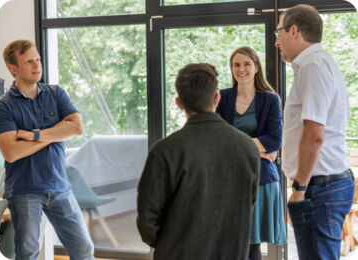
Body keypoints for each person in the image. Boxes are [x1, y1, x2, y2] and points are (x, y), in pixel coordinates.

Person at [137, 63, 260, 260]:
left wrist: (170, 242)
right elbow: (248, 204)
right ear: (216, 98)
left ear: (179, 102)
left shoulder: (165, 150)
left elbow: (148, 219)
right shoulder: (247, 147)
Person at [0, 40, 94, 259]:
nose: (37, 65)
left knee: (84, 249)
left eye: (38, 59)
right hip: (25, 190)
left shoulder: (56, 94)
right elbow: (11, 152)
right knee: (28, 253)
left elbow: (77, 128)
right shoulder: (3, 106)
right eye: (29, 61)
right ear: (13, 69)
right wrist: (57, 133)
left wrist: (35, 135)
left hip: (60, 187)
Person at [275, 5, 355, 260]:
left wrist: (299, 187)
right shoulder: (316, 64)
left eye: (279, 32)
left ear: (294, 30)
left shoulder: (313, 66)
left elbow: (314, 133)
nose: (277, 41)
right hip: (322, 185)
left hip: (320, 187)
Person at [216, 46, 286, 260]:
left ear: (256, 67)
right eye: (236, 64)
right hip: (229, 180)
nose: (241, 69)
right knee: (231, 244)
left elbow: (274, 140)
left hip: (261, 179)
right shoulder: (223, 98)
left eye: (247, 63)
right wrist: (257, 149)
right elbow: (218, 139)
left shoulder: (270, 99)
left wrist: (236, 145)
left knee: (252, 245)